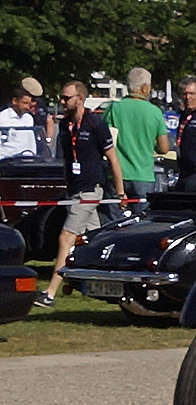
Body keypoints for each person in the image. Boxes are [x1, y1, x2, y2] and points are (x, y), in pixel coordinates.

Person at [35, 80, 123, 308]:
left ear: (80, 99)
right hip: (74, 190)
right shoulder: (64, 126)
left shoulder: (95, 124)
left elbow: (113, 159)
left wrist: (120, 192)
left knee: (66, 238)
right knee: (93, 239)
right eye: (62, 98)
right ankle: (109, 285)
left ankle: (50, 294)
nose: (62, 102)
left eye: (67, 98)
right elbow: (67, 159)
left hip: (91, 190)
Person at [103, 68, 170, 214]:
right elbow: (164, 148)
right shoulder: (154, 112)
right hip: (143, 175)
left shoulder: (114, 108)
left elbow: (103, 138)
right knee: (141, 225)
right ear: (144, 88)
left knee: (113, 224)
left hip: (116, 175)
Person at [0, 84, 40, 160]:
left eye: (29, 104)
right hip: (7, 163)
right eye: (24, 103)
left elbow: (31, 142)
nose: (27, 107)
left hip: (27, 162)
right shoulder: (2, 118)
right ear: (14, 101)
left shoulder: (28, 118)